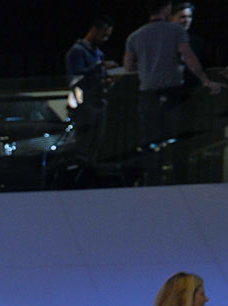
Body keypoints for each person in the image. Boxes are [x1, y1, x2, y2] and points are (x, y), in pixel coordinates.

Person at [125, 2, 222, 180]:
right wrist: (205, 80)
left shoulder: (135, 35)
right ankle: (178, 180)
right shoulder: (176, 31)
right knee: (176, 139)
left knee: (151, 141)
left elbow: (129, 67)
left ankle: (152, 180)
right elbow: (190, 60)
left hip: (148, 94)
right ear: (167, 9)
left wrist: (149, 69)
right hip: (172, 94)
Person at [66, 16, 117, 149]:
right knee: (83, 144)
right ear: (94, 30)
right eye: (103, 35)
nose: (105, 39)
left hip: (99, 103)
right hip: (85, 105)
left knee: (95, 145)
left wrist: (109, 80)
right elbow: (76, 77)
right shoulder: (77, 51)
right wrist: (100, 67)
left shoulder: (98, 53)